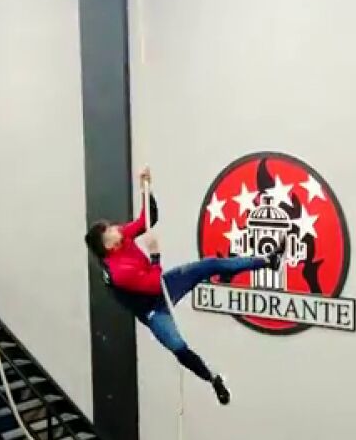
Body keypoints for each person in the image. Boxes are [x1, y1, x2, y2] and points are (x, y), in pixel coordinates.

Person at [84, 168, 284, 404]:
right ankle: (213, 380)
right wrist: (155, 254)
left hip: (162, 285)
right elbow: (153, 285)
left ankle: (267, 261)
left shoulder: (122, 238)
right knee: (178, 347)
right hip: (152, 307)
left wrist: (146, 188)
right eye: (109, 231)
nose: (115, 228)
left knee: (209, 265)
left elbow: (148, 219)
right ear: (108, 246)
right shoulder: (119, 272)